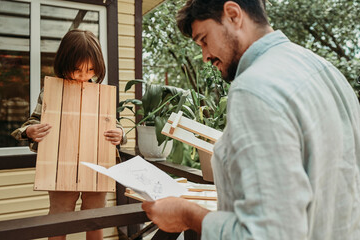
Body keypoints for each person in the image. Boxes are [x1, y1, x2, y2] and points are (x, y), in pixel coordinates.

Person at [142, 0, 360, 239]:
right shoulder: (328, 72)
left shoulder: (254, 88)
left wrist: (187, 215)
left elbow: (266, 234)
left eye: (204, 39)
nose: (204, 56)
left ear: (233, 15)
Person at [11, 29, 127, 240]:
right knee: (59, 219)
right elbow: (29, 124)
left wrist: (120, 133)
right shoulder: (51, 92)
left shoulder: (101, 94)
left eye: (91, 69)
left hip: (97, 165)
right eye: (77, 70)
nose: (84, 76)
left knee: (95, 218)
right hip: (60, 166)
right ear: (64, 63)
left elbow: (115, 125)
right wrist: (30, 131)